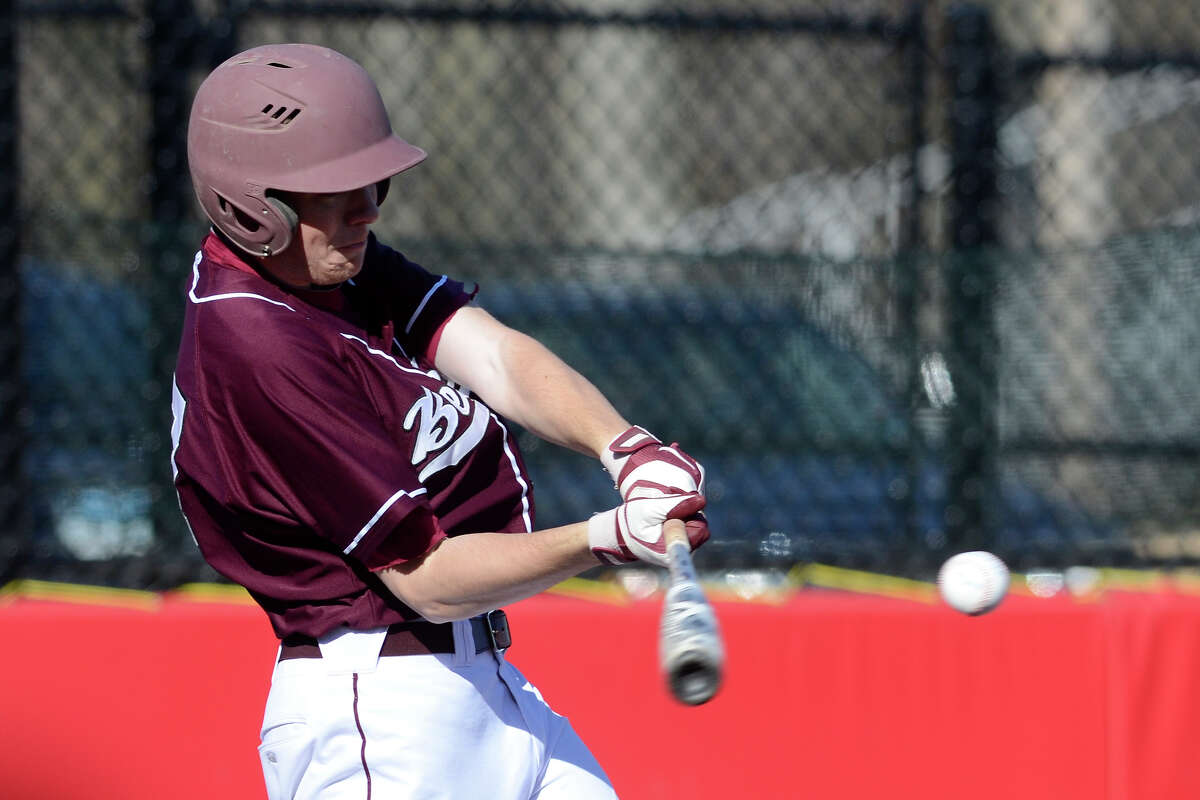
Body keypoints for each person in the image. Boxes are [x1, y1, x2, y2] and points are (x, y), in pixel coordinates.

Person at [171, 43, 709, 800]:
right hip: (381, 715)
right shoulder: (257, 342)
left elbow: (490, 354)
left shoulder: (329, 266)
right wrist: (604, 538)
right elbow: (425, 578)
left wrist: (625, 448)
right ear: (253, 207)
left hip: (482, 686)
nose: (368, 210)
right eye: (334, 193)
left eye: (372, 183)